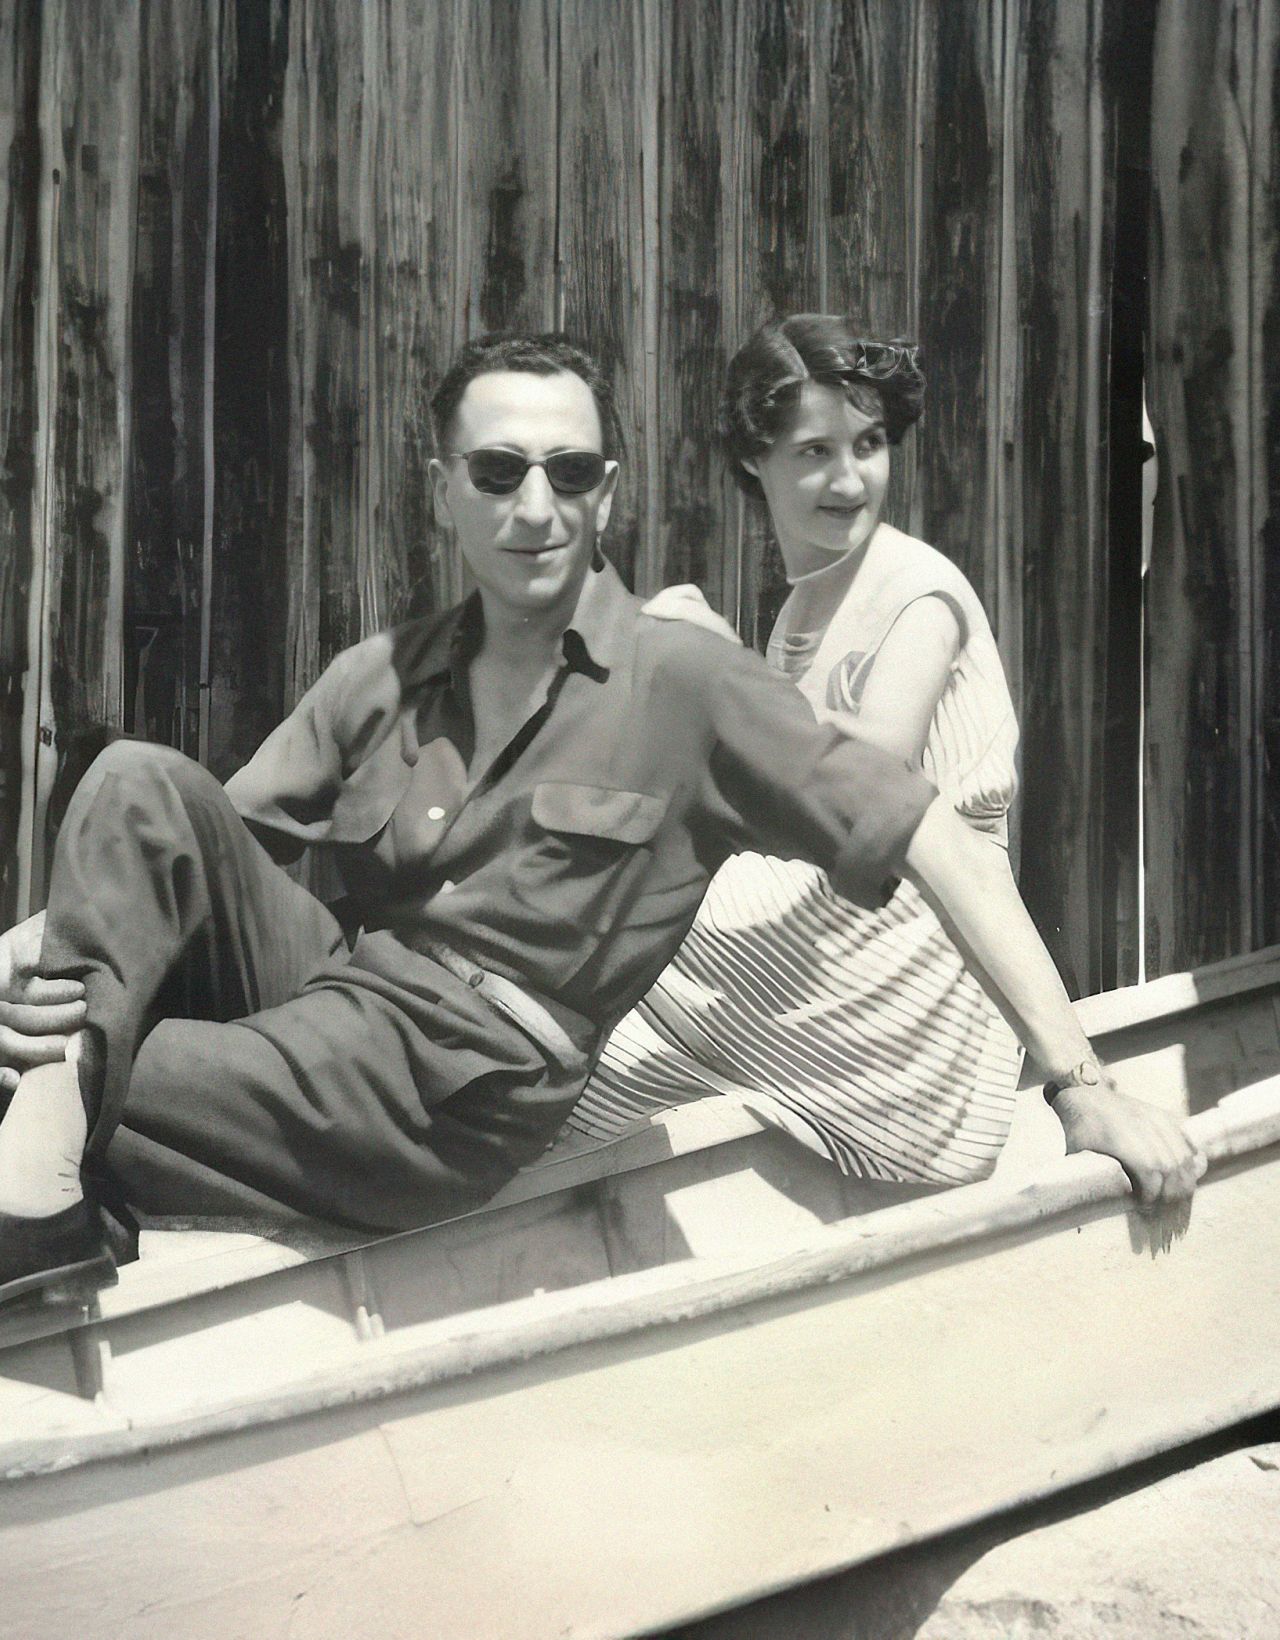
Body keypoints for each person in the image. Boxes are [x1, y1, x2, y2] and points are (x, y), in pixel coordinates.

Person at [0, 332, 1202, 1311]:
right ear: (443, 492)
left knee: (69, 1072)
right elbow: (175, 852)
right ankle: (48, 1169)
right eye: (497, 472)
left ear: (605, 492)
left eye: (569, 474)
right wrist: (25, 970)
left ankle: (46, 1160)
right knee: (137, 778)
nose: (536, 507)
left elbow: (931, 833)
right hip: (336, 996)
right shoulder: (385, 672)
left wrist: (1076, 1084)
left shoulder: (685, 682)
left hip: (451, 1089)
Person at [573, 315, 1023, 1185]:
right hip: (839, 919)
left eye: (870, 443)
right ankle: (545, 1124)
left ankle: (534, 1114)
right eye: (815, 451)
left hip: (916, 947)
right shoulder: (806, 608)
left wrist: (712, 665)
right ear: (756, 459)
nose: (850, 479)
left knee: (628, 913)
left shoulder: (917, 591)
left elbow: (862, 785)